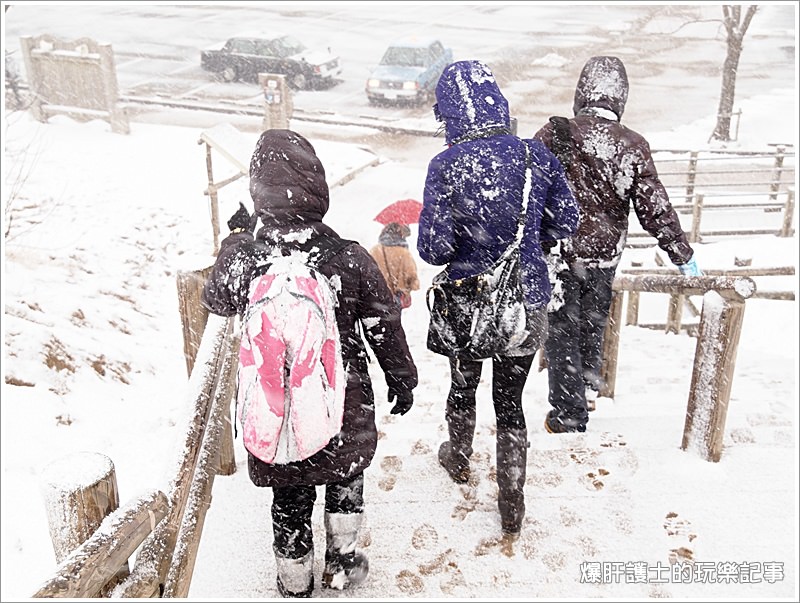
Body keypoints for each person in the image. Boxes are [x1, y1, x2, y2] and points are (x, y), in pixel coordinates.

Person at [202, 129, 418, 597]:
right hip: (343, 398)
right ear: (318, 189)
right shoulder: (347, 256)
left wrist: (236, 239)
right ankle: (341, 564)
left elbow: (215, 297)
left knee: (290, 493)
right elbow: (384, 323)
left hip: (277, 405)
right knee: (345, 479)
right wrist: (403, 379)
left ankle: (294, 577)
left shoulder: (250, 259)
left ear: (258, 192)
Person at [417, 60, 579, 537]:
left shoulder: (446, 165)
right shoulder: (536, 157)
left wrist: (469, 241)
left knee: (463, 386)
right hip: (525, 298)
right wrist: (530, 241)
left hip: (468, 301)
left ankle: (459, 457)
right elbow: (566, 220)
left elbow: (433, 249)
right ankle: (512, 501)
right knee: (510, 402)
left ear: (449, 112)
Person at [532, 55, 701, 434]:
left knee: (561, 329)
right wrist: (681, 252)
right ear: (620, 97)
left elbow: (530, 192)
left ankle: (569, 411)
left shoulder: (555, 133)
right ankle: (589, 384)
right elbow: (653, 205)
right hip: (605, 257)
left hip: (561, 254)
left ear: (581, 92)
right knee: (593, 322)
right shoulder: (632, 145)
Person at [369, 221, 420, 311]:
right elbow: (411, 275)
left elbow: (368, 273)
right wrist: (408, 287)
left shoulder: (374, 250)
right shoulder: (404, 253)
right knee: (394, 320)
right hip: (397, 296)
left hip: (378, 296)